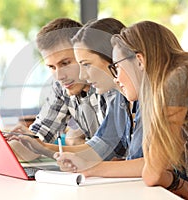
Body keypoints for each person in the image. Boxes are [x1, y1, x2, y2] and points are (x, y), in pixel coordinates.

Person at [110, 20, 188, 199]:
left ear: (139, 60)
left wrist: (176, 184)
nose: (116, 78)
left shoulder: (177, 81)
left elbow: (153, 174)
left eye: (116, 67)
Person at [9, 18, 128, 162]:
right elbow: (40, 136)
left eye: (65, 63)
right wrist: (6, 150)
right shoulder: (63, 86)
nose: (59, 76)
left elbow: (107, 150)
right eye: (52, 67)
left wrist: (44, 147)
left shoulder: (113, 84)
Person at [54, 18, 144, 177]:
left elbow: (152, 165)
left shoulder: (152, 97)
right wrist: (41, 148)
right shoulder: (120, 100)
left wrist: (91, 168)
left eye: (86, 64)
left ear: (114, 56)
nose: (81, 75)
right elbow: (103, 145)